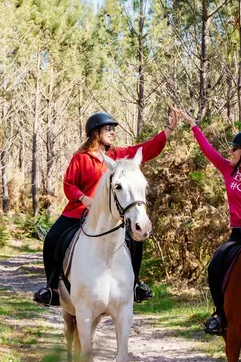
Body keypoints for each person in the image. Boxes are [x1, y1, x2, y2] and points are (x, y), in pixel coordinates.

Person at [33, 110, 178, 307]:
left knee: (136, 240)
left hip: (110, 214)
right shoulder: (80, 158)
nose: (112, 132)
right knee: (52, 239)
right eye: (108, 129)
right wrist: (84, 199)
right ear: (96, 133)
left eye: (113, 129)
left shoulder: (118, 155)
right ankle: (52, 289)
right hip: (79, 211)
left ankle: (135, 284)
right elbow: (69, 185)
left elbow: (146, 149)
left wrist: (168, 130)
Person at [177, 109, 241, 335]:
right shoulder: (228, 170)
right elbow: (209, 151)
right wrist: (193, 125)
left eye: (234, 148)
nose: (230, 151)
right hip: (237, 234)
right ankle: (220, 314)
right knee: (216, 263)